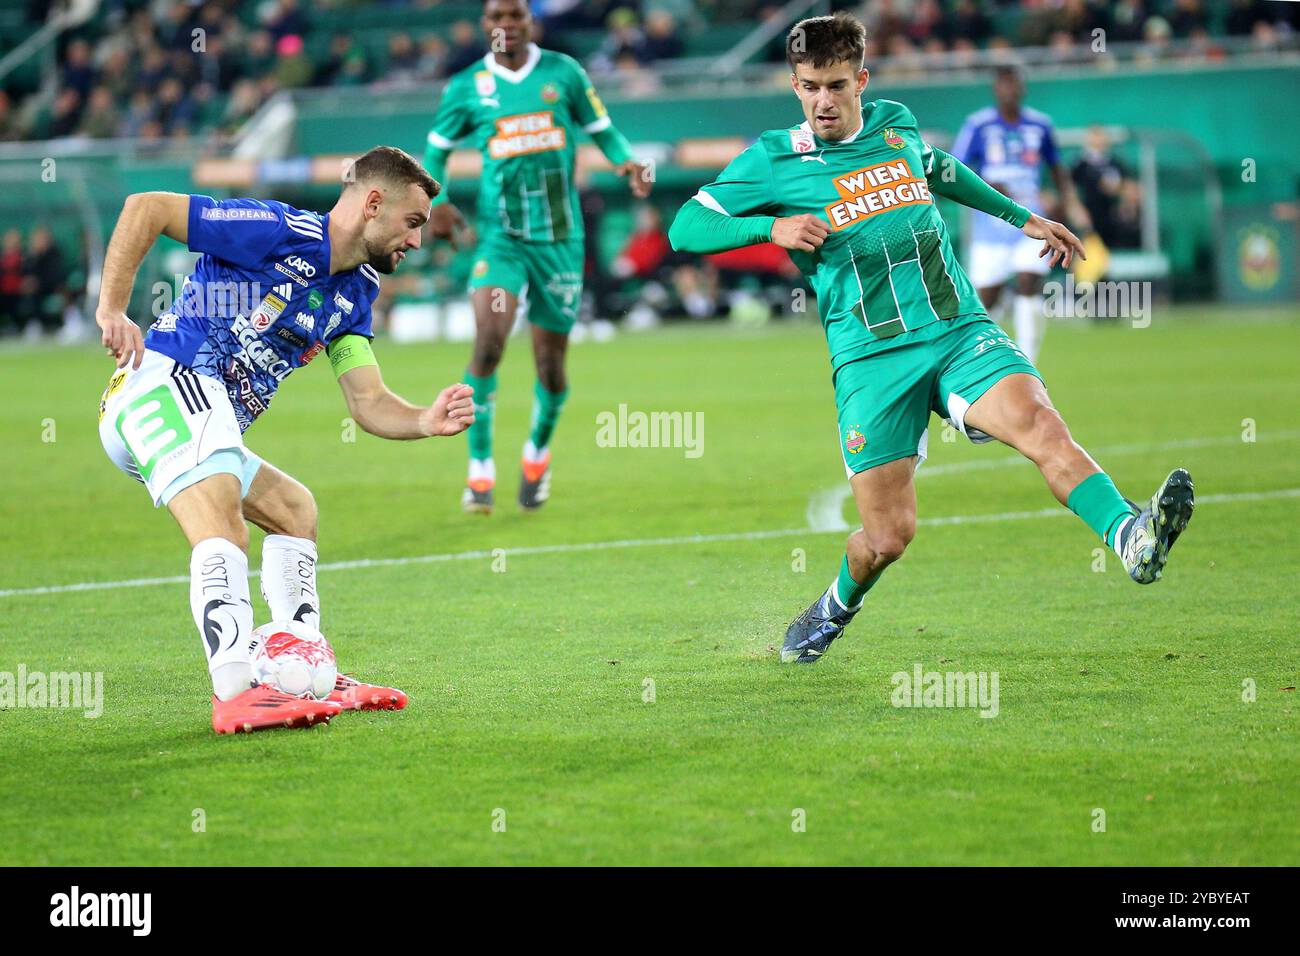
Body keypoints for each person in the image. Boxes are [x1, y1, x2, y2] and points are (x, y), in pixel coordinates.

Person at [668, 13, 1194, 665]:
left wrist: (1023, 216)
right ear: (794, 85)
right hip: (870, 359)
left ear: (861, 79)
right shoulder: (774, 160)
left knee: (1041, 425)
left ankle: (1130, 535)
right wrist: (767, 231)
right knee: (889, 537)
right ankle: (836, 605)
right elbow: (685, 227)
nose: (822, 101)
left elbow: (939, 169)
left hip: (956, 328)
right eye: (809, 87)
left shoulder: (897, 125)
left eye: (835, 85)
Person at [94, 146, 475, 732]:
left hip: (202, 411)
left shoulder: (357, 292)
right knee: (224, 527)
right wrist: (113, 309)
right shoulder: (277, 230)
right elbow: (147, 206)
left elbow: (368, 401)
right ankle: (237, 689)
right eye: (413, 222)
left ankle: (301, 665)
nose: (418, 241)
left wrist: (425, 419)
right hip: (163, 383)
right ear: (373, 204)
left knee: (295, 510)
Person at [422, 0, 651, 514]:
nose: (505, 26)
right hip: (501, 240)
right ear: (484, 25)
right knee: (488, 343)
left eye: (515, 17)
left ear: (531, 23)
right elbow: (435, 151)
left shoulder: (563, 73)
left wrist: (627, 162)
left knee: (550, 366)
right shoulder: (465, 87)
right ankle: (479, 469)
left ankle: (536, 453)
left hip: (559, 240)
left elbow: (603, 130)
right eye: (496, 18)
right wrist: (436, 200)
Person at [951, 64, 1090, 363]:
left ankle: (1028, 361)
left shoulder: (1039, 125)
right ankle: (982, 363)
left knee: (1029, 280)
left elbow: (1057, 168)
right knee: (987, 300)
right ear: (995, 89)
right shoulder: (978, 125)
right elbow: (954, 169)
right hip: (991, 223)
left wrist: (1066, 202)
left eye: (1015, 83)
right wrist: (988, 184)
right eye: (1004, 84)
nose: (1010, 89)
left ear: (1023, 87)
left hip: (1031, 220)